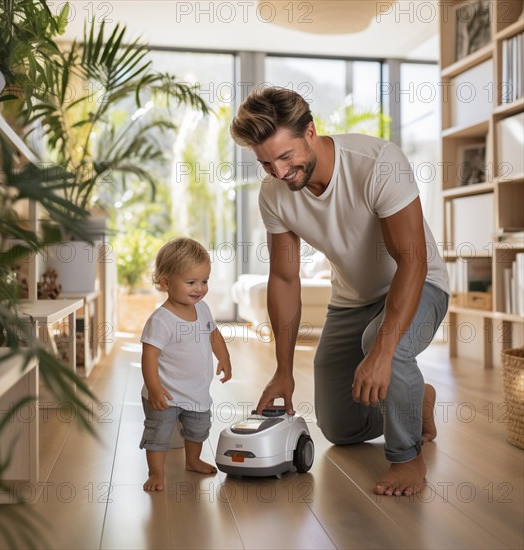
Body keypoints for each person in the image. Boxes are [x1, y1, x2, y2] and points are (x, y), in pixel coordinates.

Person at [230, 87, 450, 497]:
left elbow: (413, 261)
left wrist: (383, 353)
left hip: (421, 284)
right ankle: (414, 400)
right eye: (265, 163)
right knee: (340, 428)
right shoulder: (274, 193)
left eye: (285, 157)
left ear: (310, 132)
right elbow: (284, 279)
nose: (278, 172)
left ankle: (407, 457)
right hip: (351, 301)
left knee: (381, 343)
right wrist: (282, 370)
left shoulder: (378, 163)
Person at [139, 237, 232, 491]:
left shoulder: (202, 309)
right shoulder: (162, 320)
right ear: (166, 283)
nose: (199, 288)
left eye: (204, 281)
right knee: (158, 433)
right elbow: (149, 356)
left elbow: (213, 334)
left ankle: (192, 460)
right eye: (191, 282)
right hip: (165, 393)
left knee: (198, 429)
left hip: (196, 390)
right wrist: (154, 388)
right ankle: (156, 472)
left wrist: (224, 357)